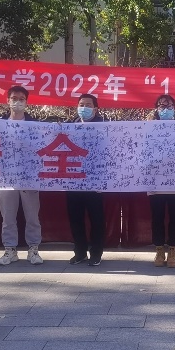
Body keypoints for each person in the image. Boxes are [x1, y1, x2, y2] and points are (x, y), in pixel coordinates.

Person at [0, 85, 43, 267]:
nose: (17, 102)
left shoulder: (35, 125)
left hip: (29, 176)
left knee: (32, 216)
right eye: (14, 98)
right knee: (8, 216)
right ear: (7, 101)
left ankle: (34, 249)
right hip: (6, 176)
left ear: (26, 102)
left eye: (21, 99)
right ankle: (10, 250)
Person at [66, 93, 107, 266]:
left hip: (94, 181)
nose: (84, 108)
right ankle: (80, 252)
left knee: (96, 219)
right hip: (73, 180)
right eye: (81, 104)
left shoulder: (105, 127)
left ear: (96, 109)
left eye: (88, 105)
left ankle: (96, 253)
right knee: (75, 219)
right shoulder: (69, 126)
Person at [148, 94, 175, 268]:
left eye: (169, 106)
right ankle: (159, 251)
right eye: (162, 106)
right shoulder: (148, 129)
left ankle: (173, 251)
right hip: (155, 181)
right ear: (156, 109)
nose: (165, 109)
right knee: (157, 217)